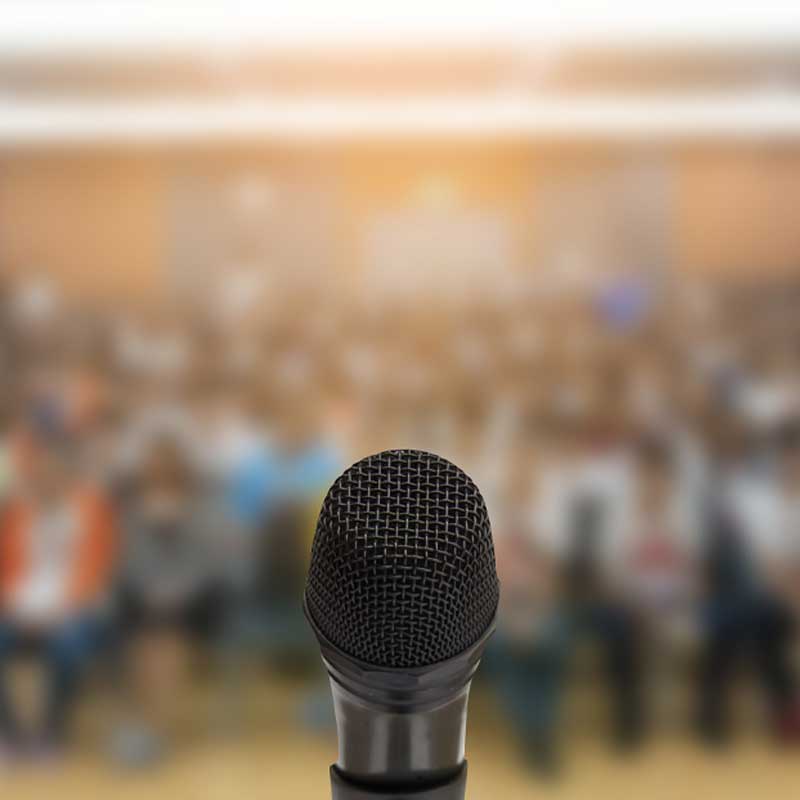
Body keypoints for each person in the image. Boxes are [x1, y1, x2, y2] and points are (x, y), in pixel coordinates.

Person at [112, 436, 234, 765]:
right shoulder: (132, 512)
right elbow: (128, 563)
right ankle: (147, 726)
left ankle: (155, 730)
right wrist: (152, 589)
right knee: (145, 639)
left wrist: (177, 590)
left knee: (167, 639)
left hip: (197, 599)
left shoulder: (206, 508)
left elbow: (212, 563)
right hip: (146, 598)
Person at [0, 435, 115, 762]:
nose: (47, 479)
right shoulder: (15, 514)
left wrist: (61, 611)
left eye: (56, 472)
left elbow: (98, 569)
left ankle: (51, 731)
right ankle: (11, 734)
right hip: (21, 608)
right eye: (40, 473)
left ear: (68, 475)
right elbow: (5, 572)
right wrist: (18, 610)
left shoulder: (92, 509)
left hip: (75, 607)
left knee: (68, 645)